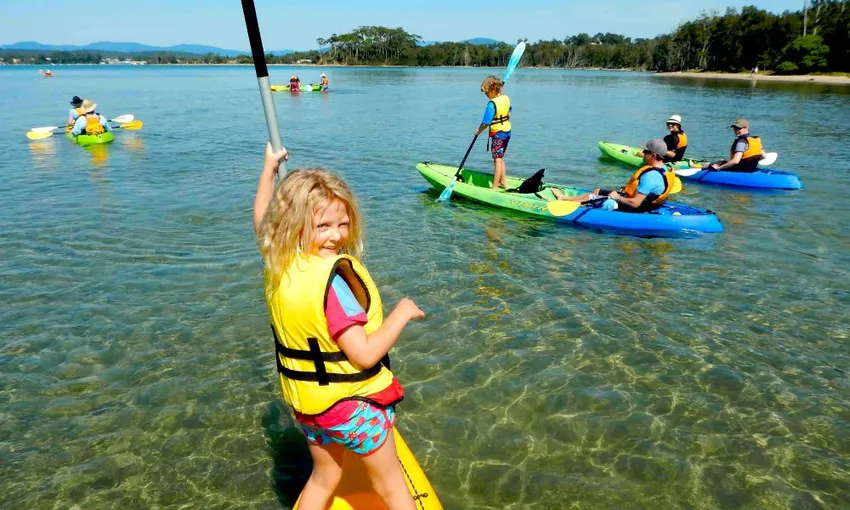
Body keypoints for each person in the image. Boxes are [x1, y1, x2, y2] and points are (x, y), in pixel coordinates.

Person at [253, 143, 422, 510]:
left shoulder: (278, 265)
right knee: (392, 486)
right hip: (352, 408)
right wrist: (402, 313)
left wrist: (268, 169)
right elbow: (363, 356)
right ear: (294, 225)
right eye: (323, 226)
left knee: (324, 476)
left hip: (310, 407)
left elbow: (262, 220)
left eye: (342, 224)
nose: (336, 236)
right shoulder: (334, 285)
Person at [552, 138, 676, 213]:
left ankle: (564, 200)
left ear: (653, 155)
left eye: (645, 152)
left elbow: (635, 203)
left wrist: (617, 197)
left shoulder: (651, 176)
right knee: (598, 191)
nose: (642, 154)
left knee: (591, 197)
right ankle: (568, 199)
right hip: (645, 203)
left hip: (634, 208)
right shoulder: (665, 169)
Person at [474, 75, 512, 190]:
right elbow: (509, 112)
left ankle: (495, 186)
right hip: (507, 132)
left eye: (486, 93)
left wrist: (478, 131)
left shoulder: (492, 104)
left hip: (498, 134)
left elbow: (486, 122)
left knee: (497, 159)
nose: (486, 95)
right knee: (501, 158)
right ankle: (503, 182)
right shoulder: (506, 98)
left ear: (493, 90)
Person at [703, 119, 767, 172]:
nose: (736, 131)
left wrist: (719, 168)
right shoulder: (756, 140)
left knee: (709, 165)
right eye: (735, 128)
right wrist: (752, 161)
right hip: (751, 168)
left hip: (739, 169)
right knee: (721, 161)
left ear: (746, 128)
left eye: (739, 128)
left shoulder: (741, 142)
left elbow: (735, 161)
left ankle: (701, 168)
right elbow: (764, 156)